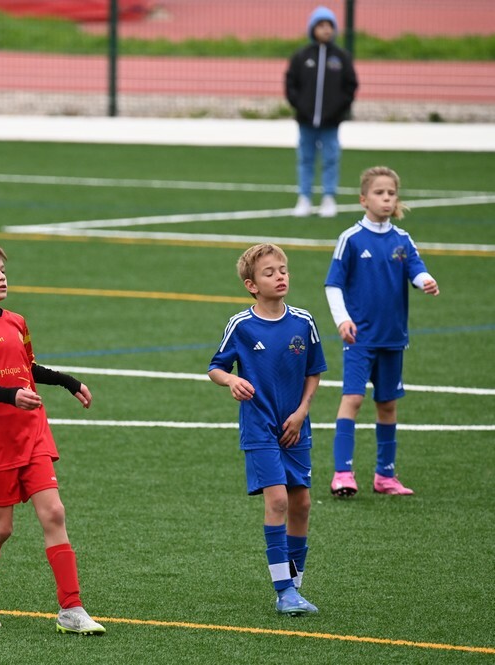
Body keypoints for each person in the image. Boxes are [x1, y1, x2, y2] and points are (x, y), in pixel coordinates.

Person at [0, 242, 105, 636]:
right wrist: (10, 396)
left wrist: (69, 382)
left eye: (2, 270)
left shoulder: (16, 321)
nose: (1, 277)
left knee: (54, 513)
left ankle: (71, 608)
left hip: (32, 432)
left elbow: (27, 366)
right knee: (1, 529)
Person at [208, 243, 326, 616]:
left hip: (296, 427)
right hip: (259, 426)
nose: (280, 277)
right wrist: (231, 381)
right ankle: (284, 591)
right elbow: (215, 367)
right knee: (277, 501)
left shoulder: (303, 322)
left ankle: (294, 585)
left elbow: (314, 371)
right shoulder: (241, 325)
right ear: (251, 285)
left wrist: (302, 412)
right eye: (269, 273)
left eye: (283, 270)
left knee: (302, 503)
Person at [325, 166, 440, 498]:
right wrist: (342, 320)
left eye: (391, 193)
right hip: (360, 338)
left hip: (393, 338)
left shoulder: (402, 240)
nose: (386, 198)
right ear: (364, 199)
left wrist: (425, 281)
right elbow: (333, 285)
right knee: (353, 399)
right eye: (379, 193)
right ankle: (343, 473)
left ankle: (385, 476)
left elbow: (416, 268)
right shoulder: (350, 239)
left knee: (387, 404)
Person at [285, 6, 359, 219]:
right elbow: (291, 83)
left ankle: (328, 198)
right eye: (321, 25)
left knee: (330, 159)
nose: (326, 30)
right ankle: (304, 198)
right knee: (305, 159)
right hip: (306, 121)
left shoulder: (341, 57)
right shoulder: (302, 56)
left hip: (331, 122)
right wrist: (300, 106)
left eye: (329, 26)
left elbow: (350, 86)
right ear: (313, 28)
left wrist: (337, 110)